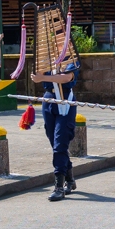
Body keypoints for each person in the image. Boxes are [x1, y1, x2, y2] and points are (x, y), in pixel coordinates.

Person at [33, 32, 80, 201]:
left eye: (64, 41)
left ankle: (59, 186)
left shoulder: (71, 60)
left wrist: (43, 77)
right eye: (58, 40)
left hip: (65, 100)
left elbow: (67, 77)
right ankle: (70, 178)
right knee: (54, 142)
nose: (60, 43)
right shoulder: (48, 59)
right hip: (49, 99)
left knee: (60, 142)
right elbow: (38, 75)